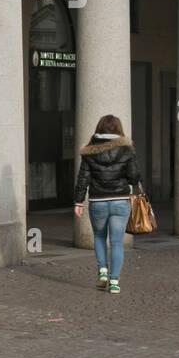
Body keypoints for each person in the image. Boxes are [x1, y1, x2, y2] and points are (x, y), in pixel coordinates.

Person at [73, 114, 141, 294]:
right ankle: (114, 282)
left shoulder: (89, 150)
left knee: (100, 237)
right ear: (118, 129)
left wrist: (78, 201)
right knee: (118, 242)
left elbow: (83, 178)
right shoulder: (127, 149)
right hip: (120, 201)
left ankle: (103, 271)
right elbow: (134, 177)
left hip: (98, 201)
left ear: (99, 128)